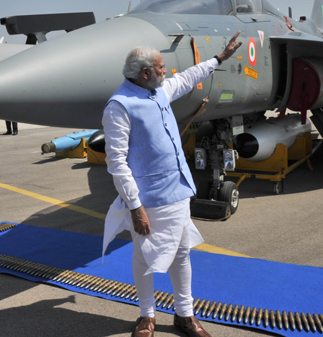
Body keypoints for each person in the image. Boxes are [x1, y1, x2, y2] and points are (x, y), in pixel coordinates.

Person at [102, 32, 242, 337]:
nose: (167, 72)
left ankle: (185, 315)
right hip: (148, 199)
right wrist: (135, 207)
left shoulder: (159, 90)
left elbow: (189, 78)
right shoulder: (119, 106)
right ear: (145, 73)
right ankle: (146, 316)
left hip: (178, 190)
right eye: (161, 68)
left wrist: (219, 58)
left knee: (181, 253)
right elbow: (117, 162)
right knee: (144, 256)